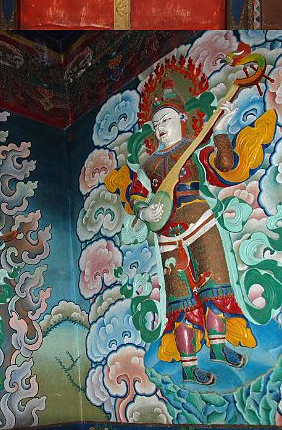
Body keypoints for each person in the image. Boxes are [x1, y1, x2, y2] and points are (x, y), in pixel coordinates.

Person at [107, 51, 274, 385]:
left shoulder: (194, 148)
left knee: (214, 288)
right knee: (181, 300)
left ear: (181, 119)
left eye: (165, 121)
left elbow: (225, 167)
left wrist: (221, 130)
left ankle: (219, 346)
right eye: (155, 125)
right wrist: (144, 209)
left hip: (200, 224)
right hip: (167, 234)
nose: (159, 128)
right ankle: (186, 366)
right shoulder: (152, 164)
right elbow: (137, 193)